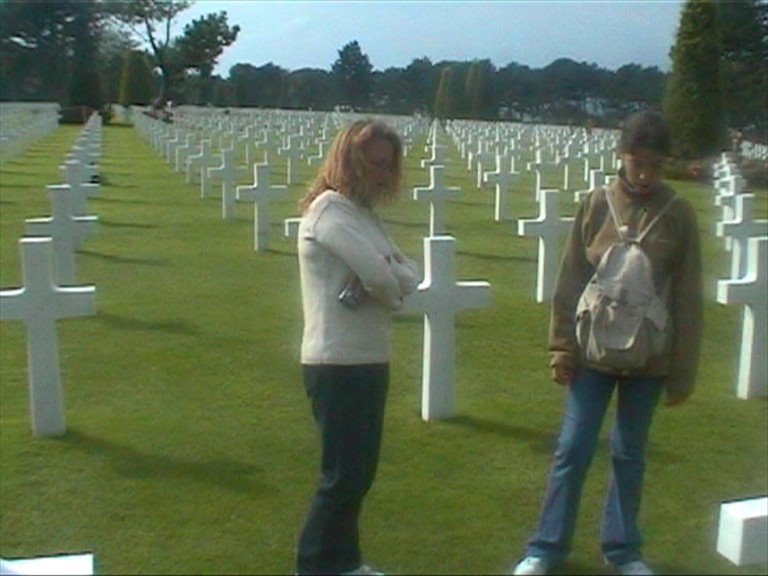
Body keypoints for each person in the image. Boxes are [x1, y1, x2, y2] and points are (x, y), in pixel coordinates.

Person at [510, 110, 703, 576]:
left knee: (629, 453)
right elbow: (572, 276)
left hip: (650, 356)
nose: (647, 174)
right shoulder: (596, 203)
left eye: (656, 165)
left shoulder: (678, 213)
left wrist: (682, 372)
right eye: (639, 163)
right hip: (592, 351)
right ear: (623, 155)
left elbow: (687, 295)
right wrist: (560, 347)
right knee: (573, 447)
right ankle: (546, 548)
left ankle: (623, 550)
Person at [295, 119, 420, 576]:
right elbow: (383, 277)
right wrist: (388, 280)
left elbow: (409, 271)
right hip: (336, 362)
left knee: (358, 474)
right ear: (349, 158)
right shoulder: (329, 211)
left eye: (388, 165)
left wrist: (389, 278)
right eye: (374, 161)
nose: (382, 173)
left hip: (370, 357)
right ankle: (312, 566)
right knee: (342, 476)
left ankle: (343, 563)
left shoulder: (362, 214)